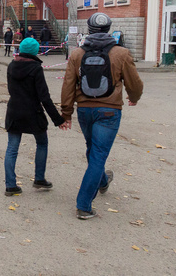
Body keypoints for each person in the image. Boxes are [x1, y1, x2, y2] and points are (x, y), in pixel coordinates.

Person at [60, 13, 144, 220]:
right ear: (108, 29)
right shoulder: (122, 53)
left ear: (89, 30)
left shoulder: (77, 54)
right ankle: (83, 205)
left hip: (85, 110)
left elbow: (68, 85)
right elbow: (135, 82)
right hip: (109, 111)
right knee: (98, 154)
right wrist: (134, 97)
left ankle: (103, 182)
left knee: (93, 149)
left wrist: (66, 113)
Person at [4, 37, 65, 196]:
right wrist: (57, 119)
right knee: (42, 143)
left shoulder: (11, 66)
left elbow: (11, 89)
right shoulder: (36, 68)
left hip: (14, 111)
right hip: (33, 112)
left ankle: (10, 185)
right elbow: (44, 97)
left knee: (12, 148)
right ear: (35, 51)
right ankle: (39, 178)